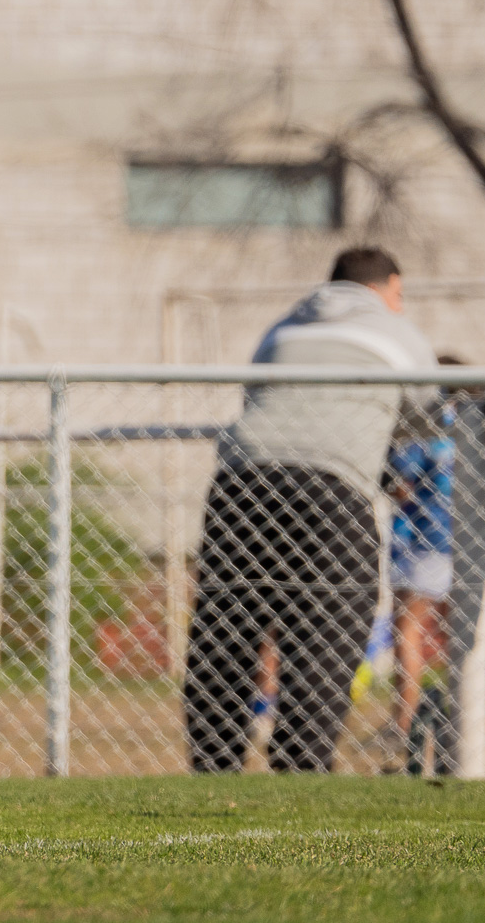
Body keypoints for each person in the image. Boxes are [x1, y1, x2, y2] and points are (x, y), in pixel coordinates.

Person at [183, 246, 436, 773]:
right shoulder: (397, 331)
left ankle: (213, 759)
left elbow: (259, 395)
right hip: (333, 485)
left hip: (242, 480)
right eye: (400, 293)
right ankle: (300, 762)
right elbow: (427, 412)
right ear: (387, 287)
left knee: (228, 622)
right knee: (330, 621)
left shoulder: (282, 328)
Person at [383, 358, 485, 774]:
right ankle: (483, 713)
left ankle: (406, 719)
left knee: (409, 628)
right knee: (480, 626)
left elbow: (401, 482)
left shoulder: (425, 423)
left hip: (436, 531)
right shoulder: (482, 427)